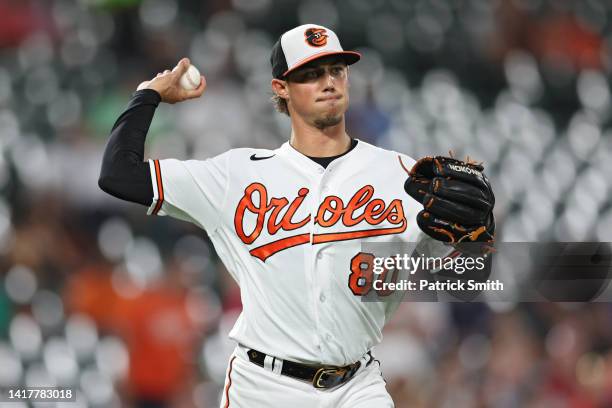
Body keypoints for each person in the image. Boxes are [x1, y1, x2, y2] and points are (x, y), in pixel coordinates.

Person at [99, 24, 494, 408]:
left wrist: (479, 231)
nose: (328, 82)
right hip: (263, 386)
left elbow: (470, 273)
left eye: (336, 70)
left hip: (359, 385)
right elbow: (119, 174)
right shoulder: (236, 176)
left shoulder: (403, 175)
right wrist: (148, 95)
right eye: (310, 74)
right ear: (281, 89)